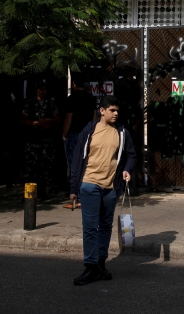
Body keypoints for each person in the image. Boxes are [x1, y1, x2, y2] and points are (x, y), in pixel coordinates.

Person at [68, 94, 136, 286]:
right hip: (89, 183)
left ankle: (100, 264)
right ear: (102, 111)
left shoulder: (122, 132)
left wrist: (126, 170)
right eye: (112, 110)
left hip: (110, 187)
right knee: (90, 227)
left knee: (105, 226)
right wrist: (74, 187)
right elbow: (76, 160)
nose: (115, 114)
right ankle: (89, 266)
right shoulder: (90, 130)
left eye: (117, 111)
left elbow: (131, 155)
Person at [61, 81, 99, 209]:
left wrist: (64, 134)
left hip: (75, 134)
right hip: (88, 134)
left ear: (74, 84)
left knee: (74, 165)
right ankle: (85, 196)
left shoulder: (72, 99)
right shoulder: (91, 98)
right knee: (86, 165)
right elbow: (94, 118)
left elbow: (68, 118)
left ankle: (77, 196)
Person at [21, 82, 61, 198]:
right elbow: (23, 120)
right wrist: (36, 123)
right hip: (33, 140)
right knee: (30, 168)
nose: (43, 92)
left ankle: (42, 191)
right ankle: (29, 193)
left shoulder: (50, 102)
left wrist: (47, 121)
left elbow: (57, 119)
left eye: (45, 89)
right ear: (36, 90)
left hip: (46, 141)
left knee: (45, 166)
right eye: (41, 89)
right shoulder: (30, 103)